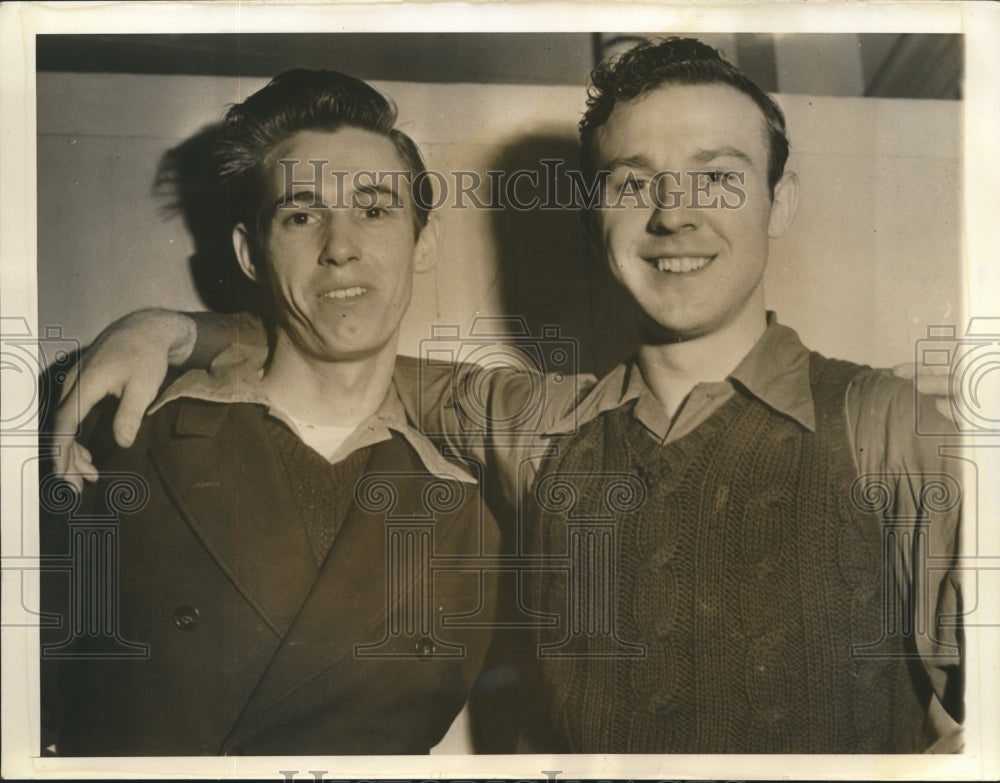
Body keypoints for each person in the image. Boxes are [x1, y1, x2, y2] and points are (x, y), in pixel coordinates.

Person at [51, 38, 962, 754]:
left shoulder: (888, 425)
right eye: (634, 182)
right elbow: (334, 345)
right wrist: (172, 328)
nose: (674, 214)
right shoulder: (535, 428)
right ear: (595, 213)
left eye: (718, 176)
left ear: (780, 200)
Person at [41, 69, 499, 756]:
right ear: (250, 253)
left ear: (422, 242)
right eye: (301, 214)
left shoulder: (472, 509)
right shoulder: (119, 439)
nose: (340, 245)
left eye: (374, 209)